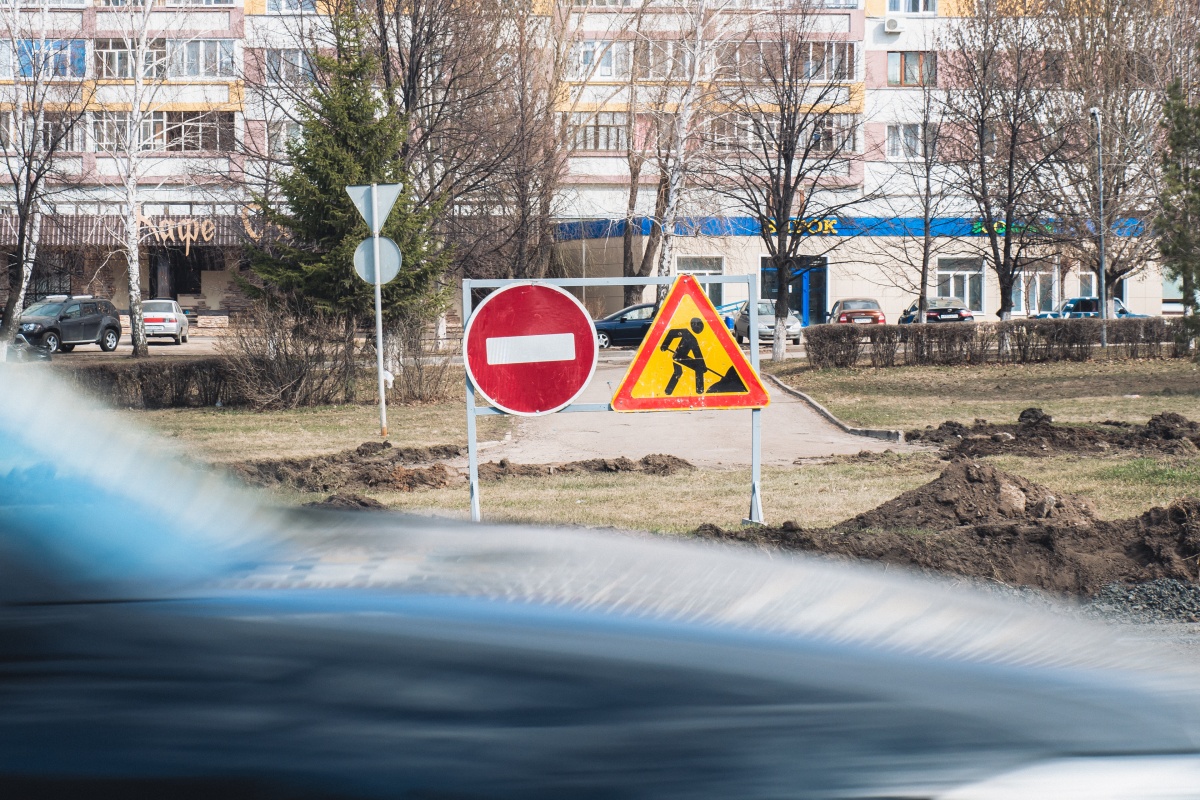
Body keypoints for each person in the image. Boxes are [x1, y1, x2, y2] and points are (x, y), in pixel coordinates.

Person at [660, 318, 707, 395]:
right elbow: (671, 333)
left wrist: (703, 366)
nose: (699, 328)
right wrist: (665, 345)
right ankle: (699, 390)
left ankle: (668, 391)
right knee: (682, 371)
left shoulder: (693, 339)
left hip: (681, 357)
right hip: (677, 356)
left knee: (680, 371)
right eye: (698, 325)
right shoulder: (685, 332)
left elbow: (698, 354)